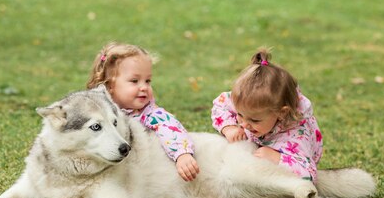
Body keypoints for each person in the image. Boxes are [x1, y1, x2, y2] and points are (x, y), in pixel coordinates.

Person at [87, 42, 200, 182]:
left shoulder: (149, 114)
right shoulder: (96, 114)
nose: (144, 87)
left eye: (147, 81)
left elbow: (169, 127)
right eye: (135, 81)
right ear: (109, 85)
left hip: (143, 175)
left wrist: (182, 154)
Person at [211, 48, 322, 182]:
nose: (244, 124)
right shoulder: (247, 101)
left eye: (254, 120)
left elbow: (309, 175)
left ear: (281, 113)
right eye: (240, 114)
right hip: (263, 136)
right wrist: (229, 127)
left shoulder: (295, 136)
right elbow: (220, 105)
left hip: (285, 149)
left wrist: (277, 158)